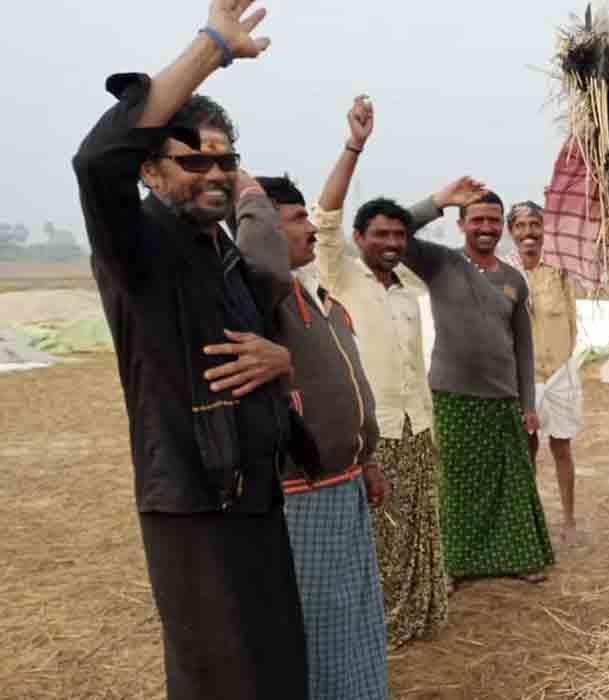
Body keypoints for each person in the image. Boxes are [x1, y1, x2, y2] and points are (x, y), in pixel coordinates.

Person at [71, 3, 307, 698]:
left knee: (276, 672)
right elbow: (93, 161)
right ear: (150, 171)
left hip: (255, 497)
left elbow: (270, 341)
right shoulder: (138, 249)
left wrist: (281, 361)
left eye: (226, 160)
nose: (213, 171)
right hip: (194, 507)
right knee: (222, 680)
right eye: (192, 158)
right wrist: (211, 50)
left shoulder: (221, 250)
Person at [237, 172, 390, 698]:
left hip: (344, 480)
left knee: (357, 610)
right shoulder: (262, 296)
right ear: (263, 229)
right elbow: (256, 253)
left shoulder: (319, 295)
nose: (311, 228)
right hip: (306, 491)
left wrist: (365, 457)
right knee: (321, 617)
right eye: (297, 217)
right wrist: (245, 189)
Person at [308, 96, 452, 644]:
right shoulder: (341, 277)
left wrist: (431, 426)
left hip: (417, 426)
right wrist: (355, 146)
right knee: (378, 532)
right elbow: (326, 217)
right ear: (360, 240)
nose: (392, 243)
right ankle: (376, 623)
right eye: (381, 236)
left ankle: (416, 614)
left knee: (418, 523)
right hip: (376, 431)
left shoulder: (408, 290)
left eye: (400, 236)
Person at [401, 189, 556, 584]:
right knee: (456, 485)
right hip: (453, 397)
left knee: (510, 484)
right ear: (461, 224)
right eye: (476, 219)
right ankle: (456, 565)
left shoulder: (513, 280)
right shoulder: (441, 263)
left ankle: (516, 559)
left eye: (492, 220)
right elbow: (395, 228)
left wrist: (528, 403)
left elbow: (523, 346)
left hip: (503, 398)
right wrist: (439, 198)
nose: (485, 227)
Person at [505, 201, 582, 541]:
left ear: (544, 228)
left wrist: (566, 362)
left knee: (562, 447)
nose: (528, 233)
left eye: (535, 225)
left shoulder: (560, 271)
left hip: (560, 371)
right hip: (523, 376)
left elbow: (571, 321)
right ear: (511, 232)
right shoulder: (504, 273)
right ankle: (528, 520)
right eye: (520, 226)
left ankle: (568, 520)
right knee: (526, 449)